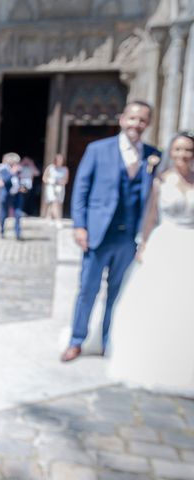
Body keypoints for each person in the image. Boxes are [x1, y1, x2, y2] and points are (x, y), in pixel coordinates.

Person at [61, 100, 161, 362]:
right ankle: (76, 340)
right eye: (132, 119)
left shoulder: (153, 155)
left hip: (129, 238)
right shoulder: (97, 149)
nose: (136, 124)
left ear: (147, 123)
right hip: (98, 234)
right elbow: (81, 189)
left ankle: (108, 341)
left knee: (118, 293)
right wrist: (80, 226)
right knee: (87, 290)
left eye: (142, 120)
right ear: (122, 119)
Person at [108, 132, 194, 390]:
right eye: (178, 149)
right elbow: (150, 215)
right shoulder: (161, 180)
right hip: (165, 241)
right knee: (160, 299)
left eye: (188, 150)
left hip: (190, 243)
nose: (182, 154)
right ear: (171, 151)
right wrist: (143, 243)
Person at [0, 152, 24, 240]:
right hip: (4, 194)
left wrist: (22, 186)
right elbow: (2, 181)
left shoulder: (19, 169)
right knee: (3, 213)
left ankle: (18, 233)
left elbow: (22, 180)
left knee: (18, 213)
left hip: (16, 194)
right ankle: (1, 230)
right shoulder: (2, 169)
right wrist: (12, 172)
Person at [43, 153, 70, 228]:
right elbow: (44, 178)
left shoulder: (65, 169)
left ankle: (48, 218)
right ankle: (58, 220)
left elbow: (66, 180)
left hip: (59, 188)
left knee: (54, 204)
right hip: (51, 187)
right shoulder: (50, 167)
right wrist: (51, 181)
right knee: (54, 203)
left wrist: (61, 182)